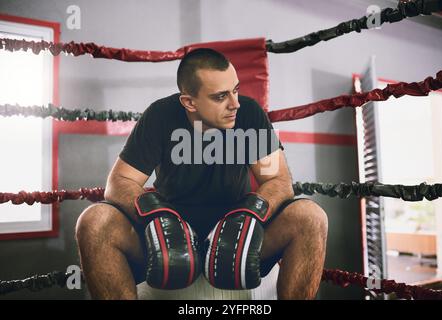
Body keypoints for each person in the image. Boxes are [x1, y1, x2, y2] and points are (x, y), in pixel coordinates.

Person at [75, 48, 328, 300]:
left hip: (237, 243)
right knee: (94, 222)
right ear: (189, 102)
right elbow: (120, 181)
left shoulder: (248, 114)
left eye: (236, 90)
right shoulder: (160, 116)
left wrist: (250, 215)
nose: (234, 103)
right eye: (220, 97)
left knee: (310, 216)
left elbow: (278, 179)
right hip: (171, 245)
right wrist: (159, 217)